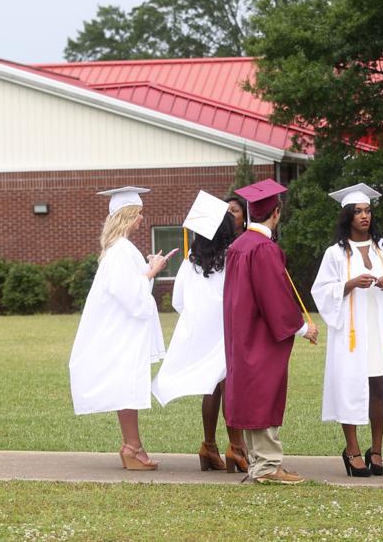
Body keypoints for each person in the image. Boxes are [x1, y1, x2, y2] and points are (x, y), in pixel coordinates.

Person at [311, 183, 383, 477]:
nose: (364, 216)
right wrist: (349, 284)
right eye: (357, 211)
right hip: (351, 332)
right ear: (347, 216)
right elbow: (320, 290)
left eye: (367, 210)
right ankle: (353, 450)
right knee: (349, 387)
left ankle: (378, 449)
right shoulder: (336, 253)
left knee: (378, 388)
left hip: (379, 329)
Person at [222, 178, 319, 484]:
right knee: (263, 393)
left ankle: (258, 463)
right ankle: (267, 467)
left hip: (242, 332)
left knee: (252, 394)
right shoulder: (263, 249)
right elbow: (274, 298)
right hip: (262, 334)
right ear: (276, 213)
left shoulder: (238, 246)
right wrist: (303, 327)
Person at [69, 186, 171, 471]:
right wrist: (153, 270)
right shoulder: (120, 251)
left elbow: (132, 287)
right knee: (127, 387)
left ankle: (133, 446)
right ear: (127, 216)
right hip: (121, 333)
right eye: (138, 213)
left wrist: (147, 269)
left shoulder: (120, 249)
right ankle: (131, 447)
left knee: (129, 387)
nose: (142, 219)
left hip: (123, 331)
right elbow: (129, 293)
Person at [150, 191, 248, 473]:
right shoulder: (233, 256)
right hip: (226, 329)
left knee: (212, 386)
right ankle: (237, 448)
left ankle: (209, 446)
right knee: (228, 385)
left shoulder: (191, 260)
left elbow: (179, 300)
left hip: (201, 330)